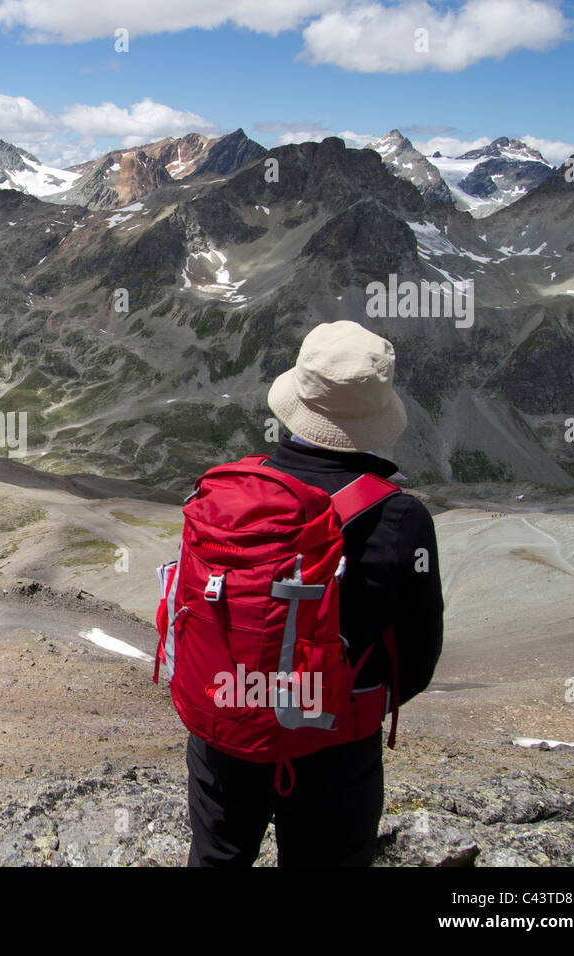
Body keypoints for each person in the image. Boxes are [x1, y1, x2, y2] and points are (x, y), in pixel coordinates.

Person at [186, 320, 444, 867]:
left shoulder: (226, 492)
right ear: (376, 414)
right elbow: (418, 659)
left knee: (215, 859)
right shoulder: (400, 517)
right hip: (333, 745)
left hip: (223, 730)